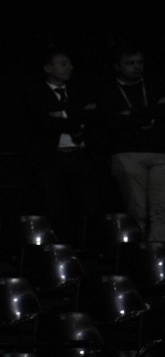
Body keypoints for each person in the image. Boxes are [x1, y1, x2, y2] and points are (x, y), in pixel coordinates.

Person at [31, 50, 94, 238]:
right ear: (48, 68)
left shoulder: (79, 91)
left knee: (86, 204)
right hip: (52, 158)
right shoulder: (36, 93)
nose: (70, 67)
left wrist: (62, 118)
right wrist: (74, 120)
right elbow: (43, 123)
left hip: (80, 155)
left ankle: (85, 244)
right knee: (55, 206)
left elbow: (92, 118)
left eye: (70, 63)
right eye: (63, 64)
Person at [105, 50, 163, 247]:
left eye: (140, 62)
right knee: (137, 209)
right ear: (117, 66)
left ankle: (157, 254)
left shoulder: (155, 86)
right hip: (127, 153)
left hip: (159, 154)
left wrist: (131, 114)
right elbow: (109, 122)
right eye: (130, 63)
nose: (137, 66)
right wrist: (149, 112)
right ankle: (137, 253)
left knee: (160, 209)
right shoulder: (109, 90)